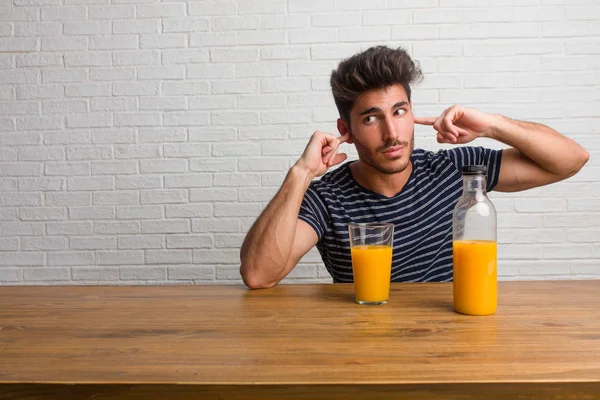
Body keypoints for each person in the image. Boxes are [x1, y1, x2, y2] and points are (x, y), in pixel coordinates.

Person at [239, 45, 589, 289]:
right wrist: (301, 173)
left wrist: (492, 125)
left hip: (451, 340)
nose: (392, 134)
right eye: (371, 118)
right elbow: (259, 274)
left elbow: (571, 160)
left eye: (399, 111)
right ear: (345, 130)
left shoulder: (455, 171)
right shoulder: (327, 198)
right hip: (364, 344)